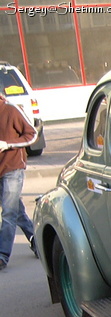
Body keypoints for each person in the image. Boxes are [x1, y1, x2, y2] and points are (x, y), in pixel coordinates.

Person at [0, 93, 38, 270]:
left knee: (8, 212)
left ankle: (2, 255)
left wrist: (7, 144)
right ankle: (37, 242)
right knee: (16, 209)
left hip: (13, 167)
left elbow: (32, 134)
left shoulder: (10, 110)